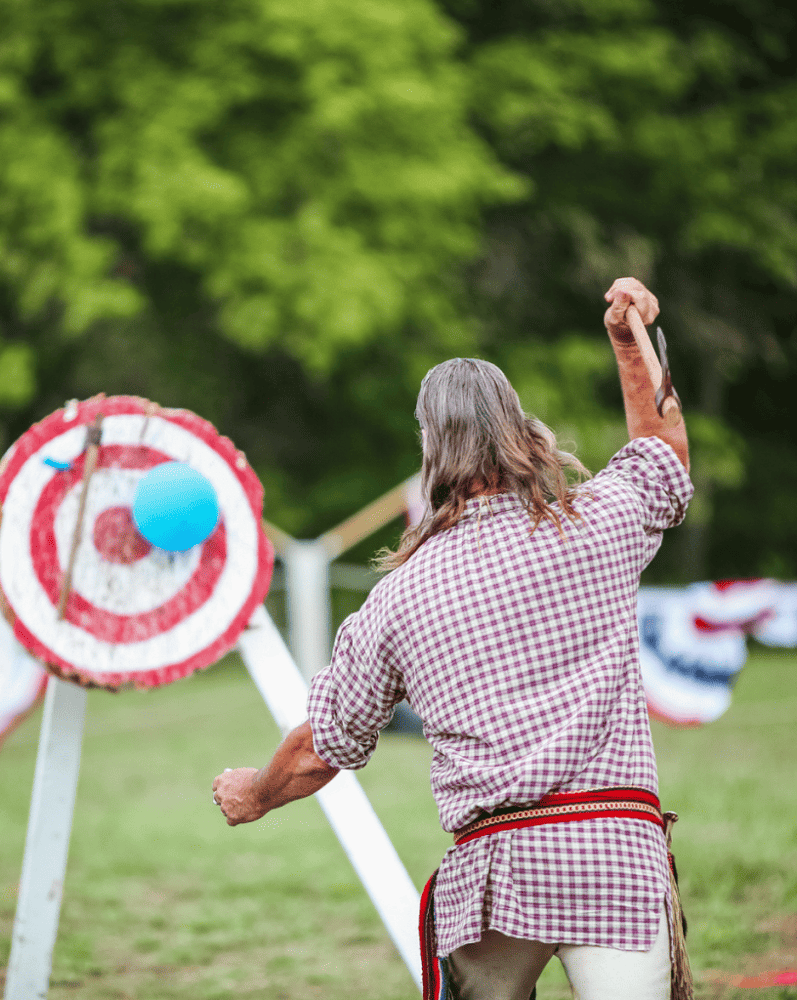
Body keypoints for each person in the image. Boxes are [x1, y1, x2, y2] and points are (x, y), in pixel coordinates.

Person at [212, 278, 693, 1000]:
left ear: (430, 447)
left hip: (494, 876)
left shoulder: (398, 597)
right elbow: (664, 453)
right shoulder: (600, 523)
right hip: (617, 858)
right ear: (520, 426)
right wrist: (629, 345)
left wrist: (255, 791)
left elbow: (322, 748)